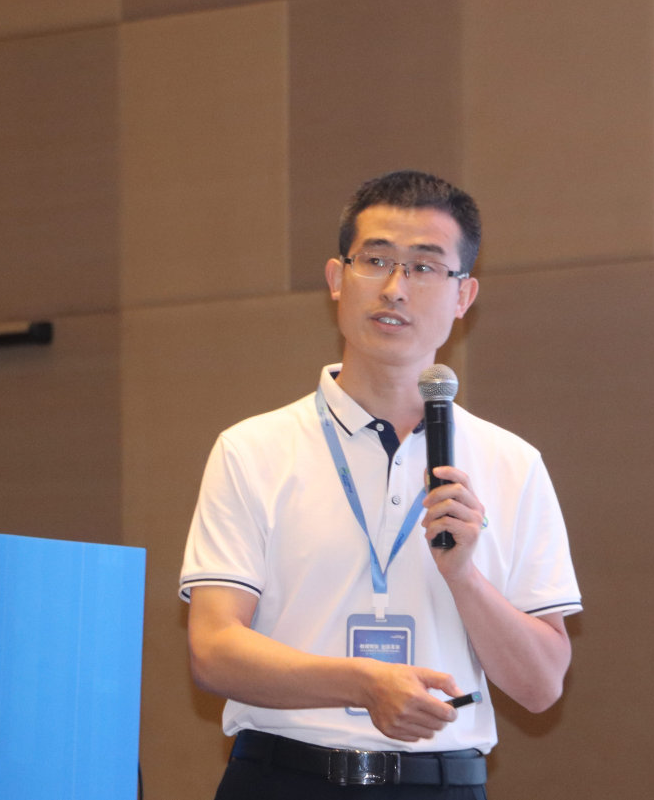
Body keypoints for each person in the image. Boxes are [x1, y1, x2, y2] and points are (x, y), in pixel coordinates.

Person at [180, 170, 581, 799]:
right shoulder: (253, 449)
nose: (395, 287)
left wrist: (464, 576)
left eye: (424, 267)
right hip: (282, 779)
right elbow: (213, 649)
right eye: (376, 260)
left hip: (441, 784)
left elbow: (541, 686)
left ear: (464, 295)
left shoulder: (513, 463)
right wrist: (364, 683)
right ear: (337, 279)